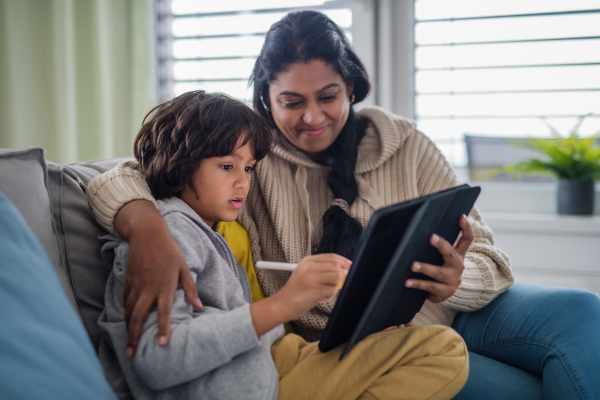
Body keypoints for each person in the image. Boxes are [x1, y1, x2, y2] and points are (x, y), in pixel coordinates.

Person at [87, 10, 600, 400]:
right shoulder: (249, 154)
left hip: (459, 310)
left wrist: (457, 278)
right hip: (364, 340)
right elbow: (133, 172)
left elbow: (490, 256)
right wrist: (145, 229)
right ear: (265, 100)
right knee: (523, 387)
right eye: (291, 102)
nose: (312, 117)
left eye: (328, 96)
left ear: (351, 87)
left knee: (580, 311)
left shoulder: (404, 143)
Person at [96, 90, 469, 400]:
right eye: (227, 167)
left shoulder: (205, 230)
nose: (243, 182)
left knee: (434, 345)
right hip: (255, 387)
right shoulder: (168, 236)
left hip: (271, 363)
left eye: (249, 168)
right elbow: (158, 361)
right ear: (180, 163)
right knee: (445, 351)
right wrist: (285, 303)